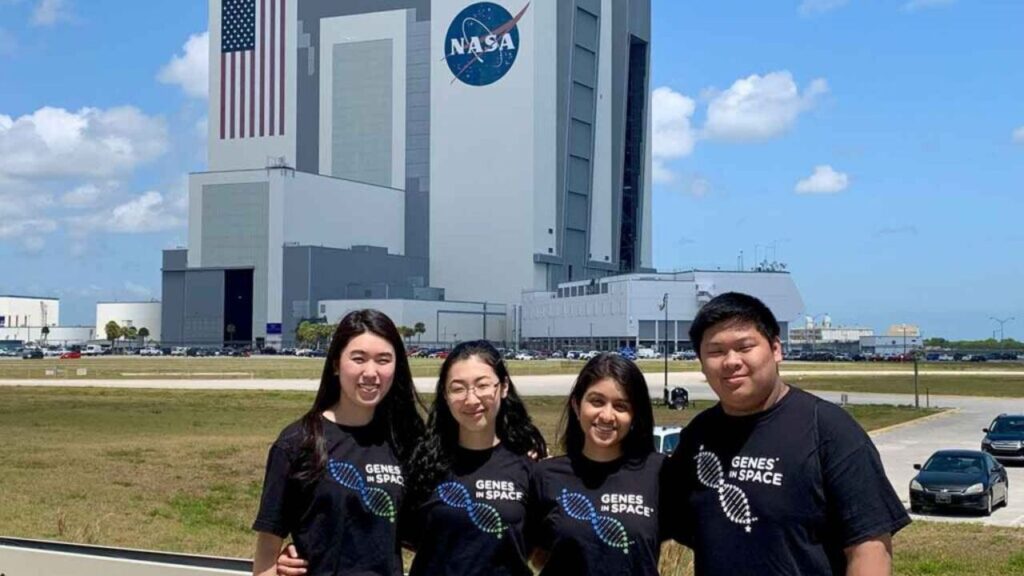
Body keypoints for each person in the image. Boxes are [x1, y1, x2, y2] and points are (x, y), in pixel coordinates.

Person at [662, 292, 910, 575]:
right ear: (702, 363)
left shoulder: (829, 429)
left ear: (776, 349)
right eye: (716, 351)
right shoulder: (699, 434)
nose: (731, 361)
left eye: (745, 347)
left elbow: (870, 551)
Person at [274, 339, 548, 576]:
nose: (471, 398)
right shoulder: (422, 461)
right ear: (444, 394)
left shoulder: (532, 465)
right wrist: (304, 551)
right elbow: (373, 524)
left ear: (503, 387)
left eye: (482, 385)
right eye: (458, 387)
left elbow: (545, 550)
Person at [251, 309, 425, 576]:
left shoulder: (406, 442)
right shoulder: (297, 442)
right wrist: (280, 567)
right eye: (358, 359)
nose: (371, 372)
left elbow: (428, 534)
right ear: (335, 364)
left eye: (383, 360)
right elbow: (264, 564)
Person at [529, 353, 667, 576]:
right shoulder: (545, 475)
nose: (607, 415)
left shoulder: (659, 473)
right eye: (596, 401)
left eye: (621, 406)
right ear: (576, 405)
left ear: (635, 415)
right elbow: (533, 555)